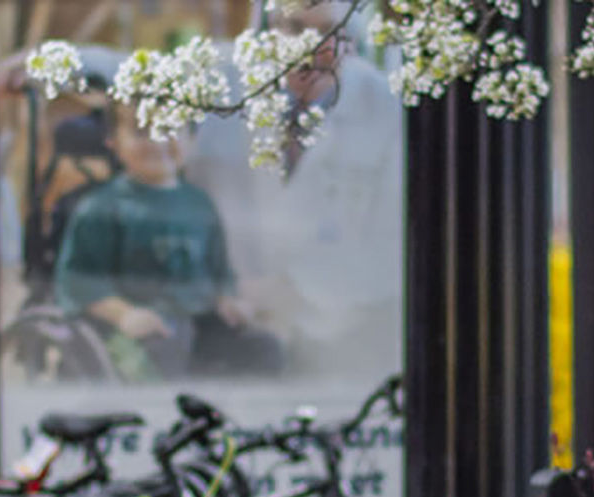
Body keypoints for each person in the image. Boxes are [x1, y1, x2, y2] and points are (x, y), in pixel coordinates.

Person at [182, 1, 403, 378]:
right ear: (267, 32)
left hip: (343, 341)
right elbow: (115, 71)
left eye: (335, 33)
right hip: (227, 331)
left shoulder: (385, 107)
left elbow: (396, 246)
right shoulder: (218, 82)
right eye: (299, 28)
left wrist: (294, 291)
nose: (319, 49)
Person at [52, 106, 285, 380]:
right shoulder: (102, 208)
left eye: (170, 130)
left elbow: (219, 272)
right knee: (168, 348)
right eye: (142, 132)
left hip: (200, 324)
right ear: (113, 143)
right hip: (136, 333)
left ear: (192, 140)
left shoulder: (200, 203)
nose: (157, 141)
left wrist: (228, 302)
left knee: (265, 349)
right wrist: (125, 315)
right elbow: (80, 282)